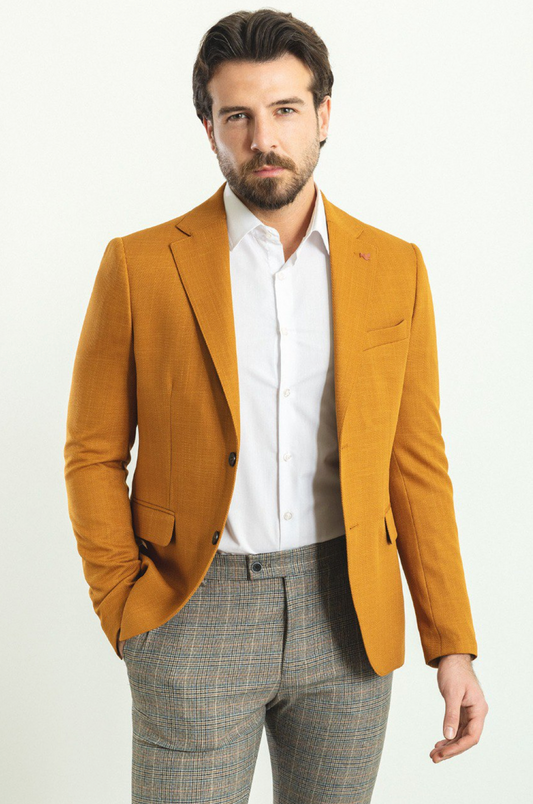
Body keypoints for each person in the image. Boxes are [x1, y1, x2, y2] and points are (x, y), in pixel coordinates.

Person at [64, 9, 488, 802]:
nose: (264, 138)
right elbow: (92, 453)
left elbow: (415, 465)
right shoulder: (139, 266)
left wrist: (450, 644)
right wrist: (126, 607)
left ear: (323, 115)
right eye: (238, 117)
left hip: (348, 617)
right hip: (193, 609)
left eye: (285, 110)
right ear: (209, 129)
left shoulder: (393, 267)